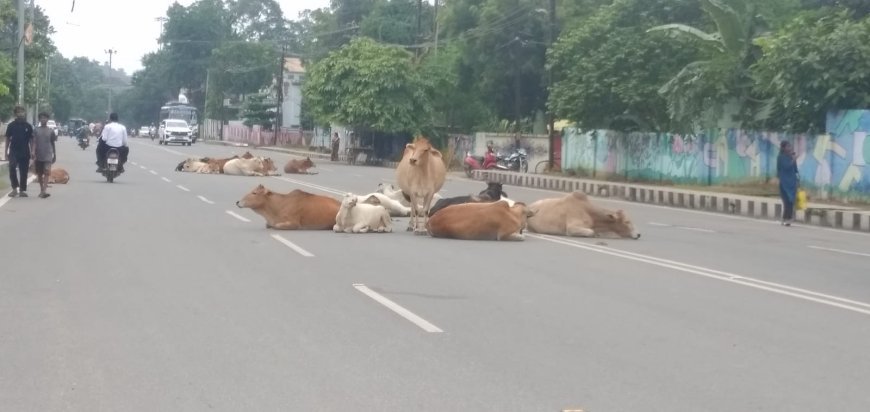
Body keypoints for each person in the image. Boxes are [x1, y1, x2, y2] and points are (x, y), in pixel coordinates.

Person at [4, 106, 34, 198]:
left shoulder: (28, 126)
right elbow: (8, 139)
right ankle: (14, 189)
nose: (20, 114)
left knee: (23, 171)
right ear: (15, 114)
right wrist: (5, 152)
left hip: (25, 151)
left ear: (24, 113)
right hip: (13, 151)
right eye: (18, 112)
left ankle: (22, 190)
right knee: (12, 168)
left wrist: (32, 151)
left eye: (22, 112)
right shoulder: (11, 126)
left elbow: (31, 140)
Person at [33, 112, 57, 199]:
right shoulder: (36, 130)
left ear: (47, 119)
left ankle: (44, 191)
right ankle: (41, 189)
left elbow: (53, 143)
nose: (44, 119)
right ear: (39, 119)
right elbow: (34, 142)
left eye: (45, 118)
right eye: (42, 118)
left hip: (48, 154)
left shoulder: (51, 131)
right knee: (39, 173)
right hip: (38, 153)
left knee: (47, 172)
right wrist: (32, 152)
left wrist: (54, 154)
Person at [777, 140, 799, 226]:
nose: (790, 148)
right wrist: (793, 160)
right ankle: (785, 218)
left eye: (790, 146)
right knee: (786, 201)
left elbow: (795, 169)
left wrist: (797, 180)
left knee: (791, 201)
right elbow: (786, 167)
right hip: (784, 182)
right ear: (783, 148)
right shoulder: (780, 157)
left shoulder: (791, 157)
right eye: (788, 146)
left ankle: (788, 218)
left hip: (792, 181)